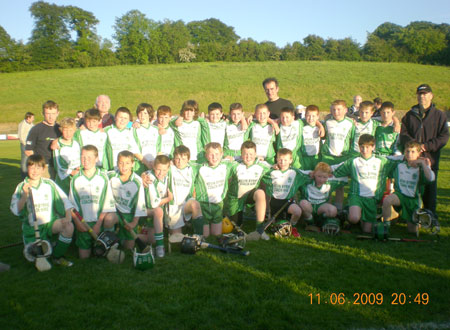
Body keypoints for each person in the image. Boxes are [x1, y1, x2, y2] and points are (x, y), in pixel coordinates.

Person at [10, 155, 74, 266]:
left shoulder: (49, 184)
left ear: (43, 169)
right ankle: (47, 246)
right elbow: (16, 210)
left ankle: (58, 257)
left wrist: (68, 217)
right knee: (35, 257)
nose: (35, 171)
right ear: (27, 168)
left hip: (50, 224)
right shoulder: (21, 187)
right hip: (32, 229)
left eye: (38, 168)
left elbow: (65, 201)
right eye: (32, 167)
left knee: (69, 226)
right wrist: (24, 196)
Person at [400, 83, 449, 223]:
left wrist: (426, 147)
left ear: (431, 96)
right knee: (410, 187)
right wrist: (414, 147)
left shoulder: (439, 115)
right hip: (412, 159)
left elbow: (444, 137)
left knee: (430, 188)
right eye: (420, 94)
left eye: (425, 94)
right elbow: (403, 134)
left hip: (430, 159)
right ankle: (409, 214)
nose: (422, 96)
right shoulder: (410, 115)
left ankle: (430, 215)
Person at [333, 134, 398, 233]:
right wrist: (322, 170)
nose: (364, 150)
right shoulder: (353, 161)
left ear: (373, 147)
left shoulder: (382, 162)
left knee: (367, 231)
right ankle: (348, 214)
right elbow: (337, 169)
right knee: (354, 218)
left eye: (367, 147)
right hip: (356, 196)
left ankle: (361, 216)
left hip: (372, 198)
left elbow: (398, 165)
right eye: (362, 147)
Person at [70, 145, 116, 259]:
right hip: (83, 224)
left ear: (96, 159)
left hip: (98, 223)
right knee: (84, 257)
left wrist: (98, 224)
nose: (86, 161)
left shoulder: (103, 178)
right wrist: (78, 223)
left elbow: (107, 204)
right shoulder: (75, 179)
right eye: (83, 157)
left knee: (100, 254)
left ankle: (109, 241)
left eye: (89, 157)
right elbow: (72, 206)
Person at [382, 141, 435, 234]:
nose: (409, 154)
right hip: (400, 195)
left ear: (419, 153)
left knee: (412, 231)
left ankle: (406, 218)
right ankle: (386, 226)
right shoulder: (399, 162)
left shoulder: (422, 166)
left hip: (413, 200)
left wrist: (423, 164)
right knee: (387, 200)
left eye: (413, 151)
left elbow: (431, 178)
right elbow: (385, 158)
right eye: (407, 151)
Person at [225, 141, 270, 240]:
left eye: (251, 154)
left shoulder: (262, 165)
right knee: (235, 227)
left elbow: (276, 171)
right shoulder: (234, 165)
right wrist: (233, 158)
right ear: (241, 154)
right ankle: (232, 216)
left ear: (255, 154)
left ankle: (260, 230)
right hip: (235, 199)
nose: (248, 157)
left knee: (260, 193)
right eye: (245, 154)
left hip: (251, 195)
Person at [104, 151, 147, 251]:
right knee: (108, 220)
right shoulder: (110, 176)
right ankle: (108, 241)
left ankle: (119, 238)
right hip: (116, 213)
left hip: (129, 215)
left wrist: (133, 223)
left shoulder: (137, 181)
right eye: (121, 163)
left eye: (127, 163)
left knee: (128, 248)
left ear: (133, 164)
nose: (123, 166)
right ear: (117, 163)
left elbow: (140, 206)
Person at [194, 142, 234, 237]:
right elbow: (184, 166)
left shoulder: (226, 166)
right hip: (203, 206)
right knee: (205, 236)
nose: (214, 157)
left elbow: (242, 163)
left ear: (221, 154)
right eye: (211, 154)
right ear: (206, 156)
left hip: (218, 205)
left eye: (217, 154)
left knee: (217, 235)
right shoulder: (199, 167)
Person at [321, 100, 355, 212]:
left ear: (345, 110)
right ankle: (328, 209)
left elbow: (353, 140)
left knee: (340, 186)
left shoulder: (351, 123)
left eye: (339, 109)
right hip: (328, 158)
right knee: (327, 184)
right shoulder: (327, 122)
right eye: (334, 109)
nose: (336, 112)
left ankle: (339, 210)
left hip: (342, 158)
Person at [262, 148, 304, 236]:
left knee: (297, 211)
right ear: (276, 159)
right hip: (274, 202)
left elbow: (308, 174)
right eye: (280, 159)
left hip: (288, 202)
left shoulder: (295, 172)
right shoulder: (271, 172)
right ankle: (275, 220)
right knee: (272, 226)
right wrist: (271, 166)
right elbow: (260, 168)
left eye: (285, 160)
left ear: (291, 160)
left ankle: (291, 227)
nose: (282, 162)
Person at [299, 162, 347, 230]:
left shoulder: (331, 182)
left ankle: (320, 221)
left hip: (321, 206)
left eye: (324, 177)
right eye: (319, 176)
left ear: (329, 176)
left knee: (333, 210)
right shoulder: (306, 180)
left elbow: (345, 174)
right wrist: (308, 173)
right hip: (309, 205)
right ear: (314, 173)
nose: (321, 179)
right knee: (303, 203)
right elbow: (298, 172)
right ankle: (311, 222)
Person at [167, 146, 203, 236]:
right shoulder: (170, 169)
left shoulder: (193, 169)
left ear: (188, 159)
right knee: (176, 237)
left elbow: (208, 164)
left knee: (195, 205)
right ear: (173, 158)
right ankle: (177, 227)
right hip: (174, 206)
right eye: (177, 159)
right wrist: (144, 175)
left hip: (187, 203)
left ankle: (198, 237)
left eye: (183, 159)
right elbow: (156, 168)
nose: (180, 162)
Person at [142, 155, 173, 257]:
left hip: (157, 213)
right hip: (145, 211)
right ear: (153, 167)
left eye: (164, 170)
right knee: (158, 210)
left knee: (151, 239)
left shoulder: (167, 176)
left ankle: (136, 236)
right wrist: (168, 199)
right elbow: (153, 204)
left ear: (168, 169)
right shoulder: (149, 177)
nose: (161, 173)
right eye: (158, 169)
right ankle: (160, 246)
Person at [25, 101, 61, 179]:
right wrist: (39, 166)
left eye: (53, 114)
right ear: (43, 114)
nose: (51, 117)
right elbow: (28, 151)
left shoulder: (60, 128)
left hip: (59, 167)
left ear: (58, 113)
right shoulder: (36, 129)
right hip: (44, 168)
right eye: (48, 114)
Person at [53, 118, 81, 194]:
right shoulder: (58, 145)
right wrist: (71, 171)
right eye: (65, 130)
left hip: (76, 174)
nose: (68, 133)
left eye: (70, 130)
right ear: (61, 130)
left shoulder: (76, 142)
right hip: (64, 178)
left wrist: (80, 167)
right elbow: (58, 165)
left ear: (74, 130)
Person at [133, 103, 159, 174]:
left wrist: (155, 162)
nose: (142, 116)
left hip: (154, 164)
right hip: (140, 165)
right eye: (140, 113)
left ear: (150, 115)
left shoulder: (156, 130)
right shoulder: (134, 130)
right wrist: (146, 162)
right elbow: (134, 150)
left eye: (145, 113)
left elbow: (159, 148)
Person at [300, 105, 325, 170]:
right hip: (305, 158)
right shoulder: (301, 125)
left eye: (313, 116)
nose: (311, 118)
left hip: (316, 157)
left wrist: (321, 126)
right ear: (305, 116)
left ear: (318, 117)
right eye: (308, 115)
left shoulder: (322, 126)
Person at [18, 112, 34, 178]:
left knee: (30, 160)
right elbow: (21, 136)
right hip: (25, 145)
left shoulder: (31, 124)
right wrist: (26, 145)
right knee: (24, 161)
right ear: (28, 118)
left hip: (31, 145)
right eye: (32, 118)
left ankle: (29, 173)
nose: (33, 119)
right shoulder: (22, 124)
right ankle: (24, 176)